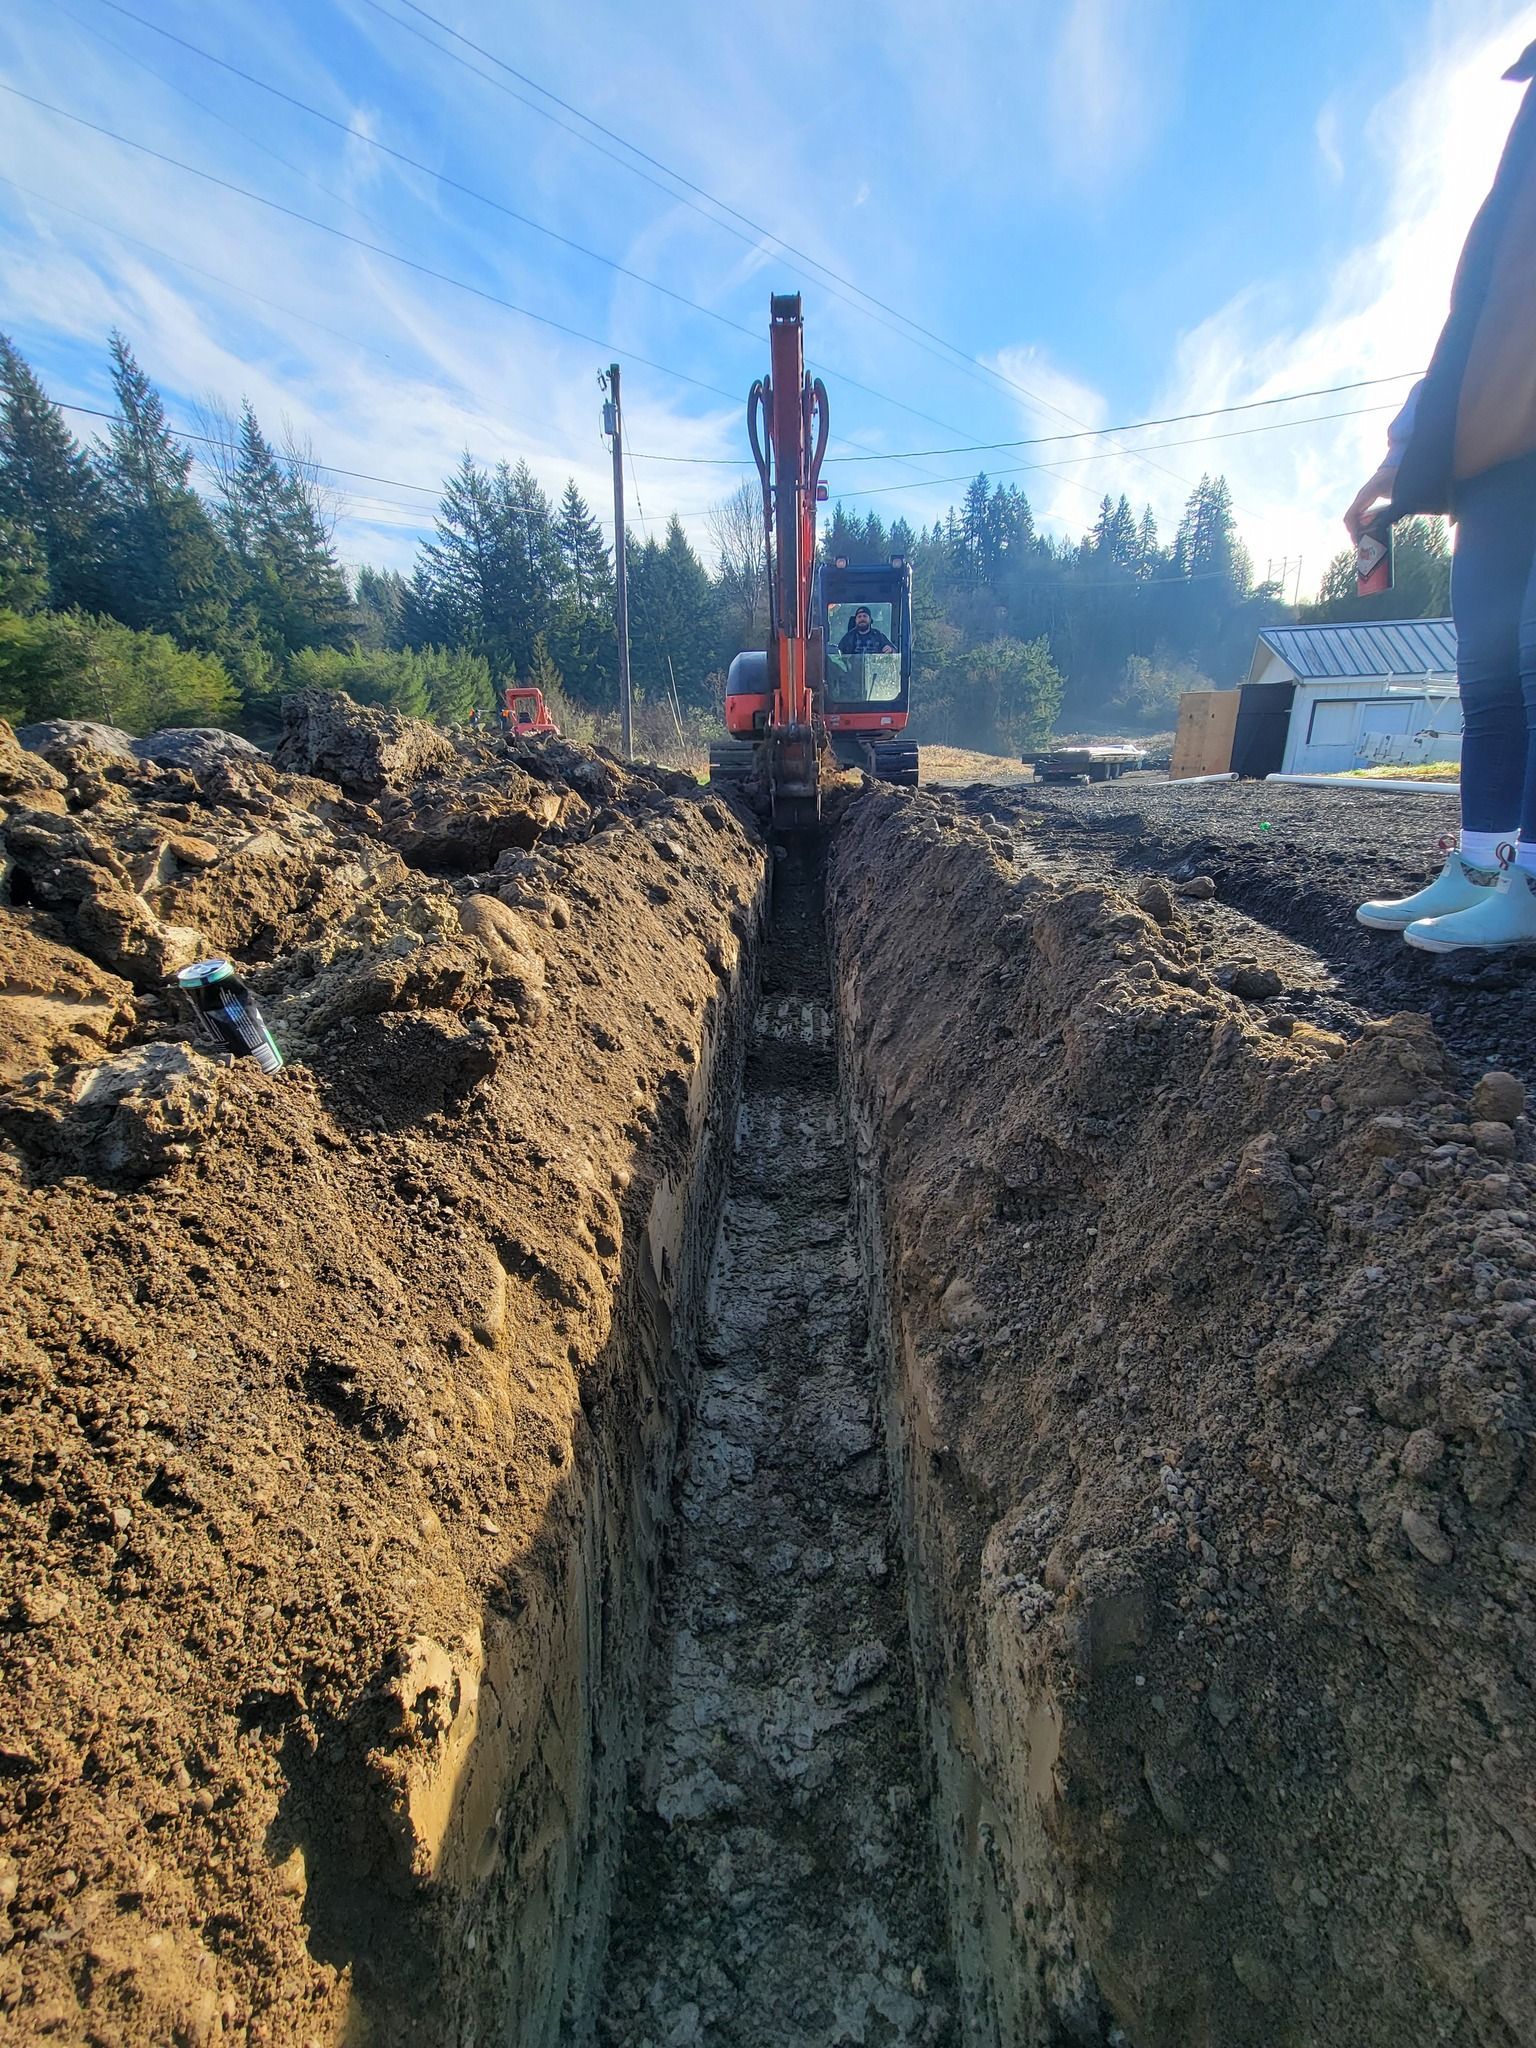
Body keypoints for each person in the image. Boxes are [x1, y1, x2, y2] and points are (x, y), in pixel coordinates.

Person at [1351, 39, 1536, 952]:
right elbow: (1480, 323)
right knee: (1491, 673)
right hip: (1494, 455)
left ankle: (1531, 878)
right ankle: (1483, 863)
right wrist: (1403, 453)